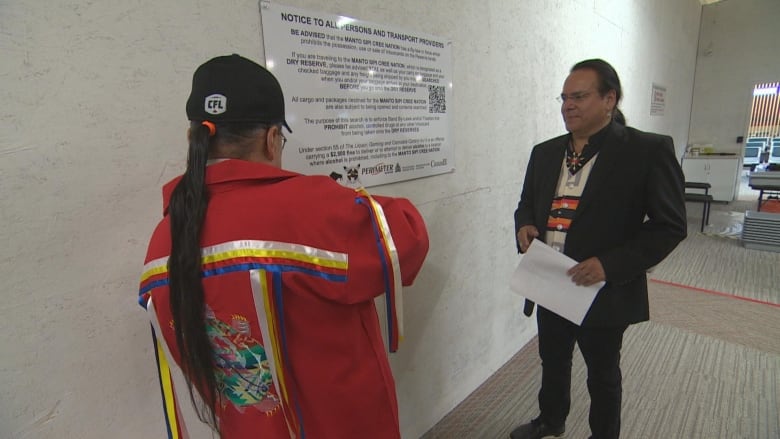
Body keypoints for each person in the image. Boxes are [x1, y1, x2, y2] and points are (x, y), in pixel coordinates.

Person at [138, 54, 429, 439]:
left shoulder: (162, 240)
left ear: (194, 139)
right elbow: (408, 235)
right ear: (272, 138)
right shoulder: (310, 208)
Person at [511, 59, 687, 439]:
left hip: (601, 287)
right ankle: (551, 419)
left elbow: (669, 226)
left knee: (602, 372)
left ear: (610, 99)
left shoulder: (646, 151)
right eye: (564, 98)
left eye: (579, 96)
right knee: (552, 360)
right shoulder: (544, 152)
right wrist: (524, 224)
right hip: (549, 278)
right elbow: (527, 202)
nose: (567, 105)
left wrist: (610, 265)